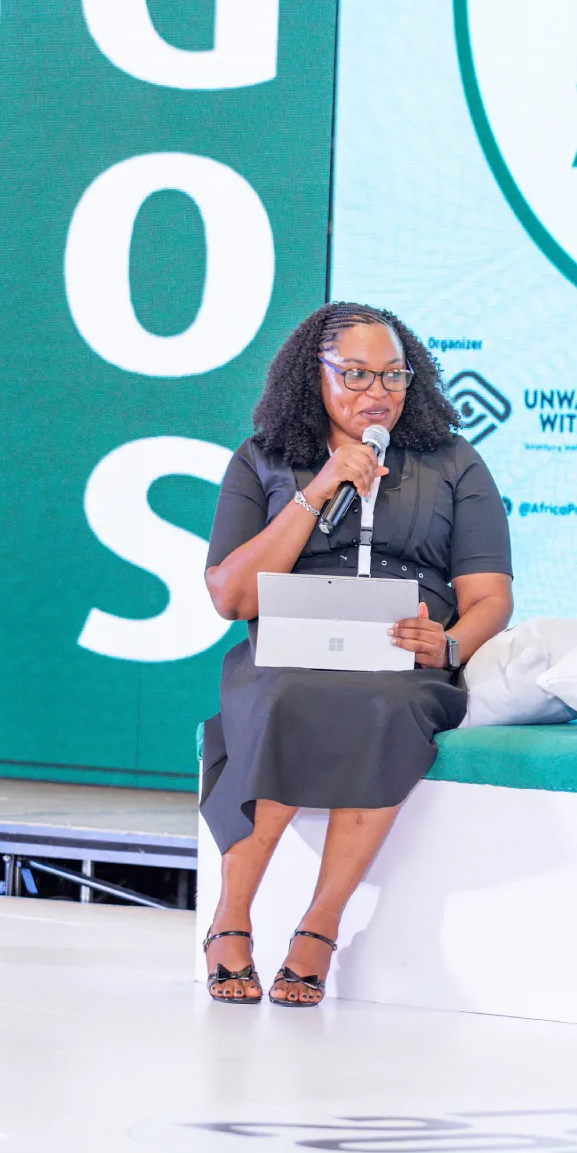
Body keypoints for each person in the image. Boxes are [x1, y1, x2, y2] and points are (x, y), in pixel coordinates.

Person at [199, 303, 513, 1007]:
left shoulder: (454, 462)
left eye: (394, 375)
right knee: (284, 698)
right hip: (287, 655)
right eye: (358, 374)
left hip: (402, 661)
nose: (379, 392)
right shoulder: (263, 459)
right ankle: (230, 918)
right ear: (313, 376)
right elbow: (230, 596)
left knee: (385, 705)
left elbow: (490, 596)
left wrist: (450, 643)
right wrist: (319, 489)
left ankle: (320, 924)